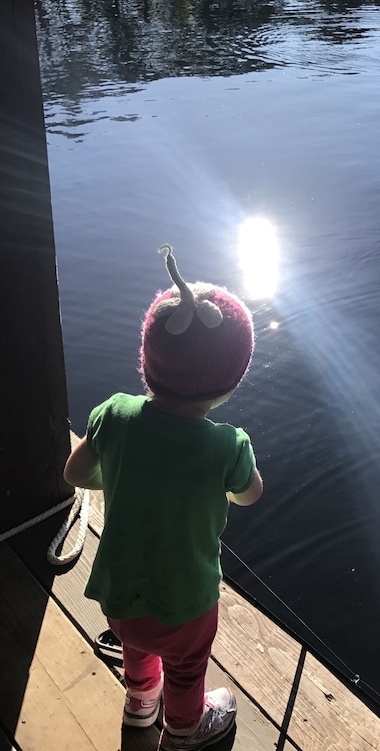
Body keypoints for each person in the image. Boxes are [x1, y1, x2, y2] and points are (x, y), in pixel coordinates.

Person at [64, 245, 263, 750]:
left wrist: (127, 478)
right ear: (228, 382)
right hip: (188, 604)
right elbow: (250, 495)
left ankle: (139, 705)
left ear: (149, 361)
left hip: (119, 591)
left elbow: (75, 472)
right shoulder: (228, 445)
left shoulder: (114, 414)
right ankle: (183, 730)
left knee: (137, 643)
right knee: (187, 668)